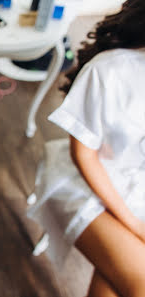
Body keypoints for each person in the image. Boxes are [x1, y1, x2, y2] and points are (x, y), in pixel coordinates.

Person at [28, 1, 145, 296]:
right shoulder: (107, 71)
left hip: (139, 189)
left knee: (121, 277)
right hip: (86, 184)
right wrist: (133, 225)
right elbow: (83, 155)